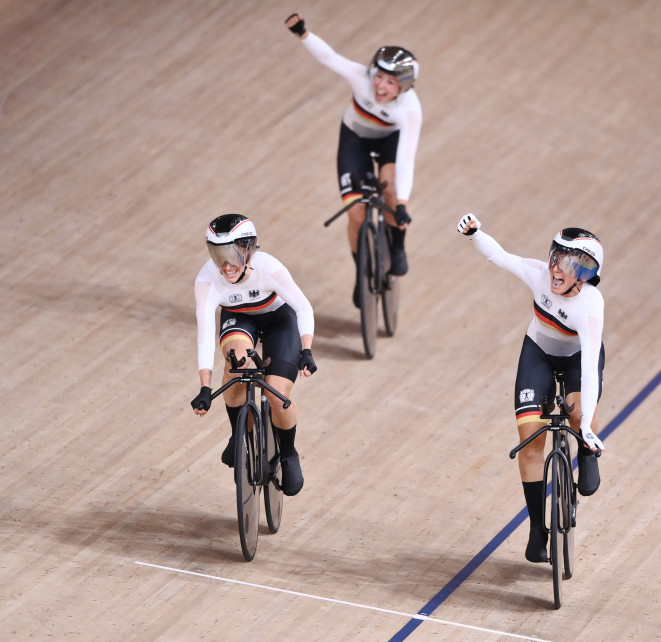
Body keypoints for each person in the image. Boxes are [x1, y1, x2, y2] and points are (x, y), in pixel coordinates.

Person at [456, 214, 606, 563]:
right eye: (555, 255)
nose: (555, 267)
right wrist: (476, 235)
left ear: (584, 273)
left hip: (577, 357)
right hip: (538, 350)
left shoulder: (590, 306)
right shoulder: (540, 274)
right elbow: (501, 256)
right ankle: (538, 528)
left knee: (580, 411)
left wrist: (584, 429)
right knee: (530, 441)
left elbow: (589, 371)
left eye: (566, 262)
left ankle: (585, 453)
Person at [285, 12, 422, 306]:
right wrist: (304, 34)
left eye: (390, 83)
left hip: (389, 142)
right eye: (380, 77)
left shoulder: (410, 110)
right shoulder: (362, 78)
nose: (380, 87)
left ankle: (397, 247)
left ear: (404, 87)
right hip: (354, 140)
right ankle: (362, 272)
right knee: (356, 214)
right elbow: (330, 58)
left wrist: (400, 206)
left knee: (391, 189)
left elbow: (406, 160)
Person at [190, 214, 317, 496]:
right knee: (236, 364)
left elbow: (304, 309)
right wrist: (204, 386)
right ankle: (240, 434)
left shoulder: (269, 268)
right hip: (239, 320)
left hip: (278, 321)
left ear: (247, 250)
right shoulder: (207, 280)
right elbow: (204, 336)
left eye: (230, 254)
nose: (224, 265)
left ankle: (288, 453)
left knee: (276, 394)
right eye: (216, 254)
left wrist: (306, 349)